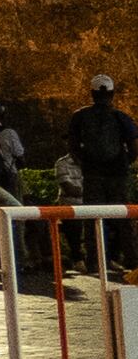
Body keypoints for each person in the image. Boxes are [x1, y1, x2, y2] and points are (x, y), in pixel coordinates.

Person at [72, 73, 136, 277]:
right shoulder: (121, 117)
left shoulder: (80, 116)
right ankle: (133, 261)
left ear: (92, 93)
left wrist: (86, 162)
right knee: (123, 218)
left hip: (93, 174)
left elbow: (73, 146)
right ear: (112, 93)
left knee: (92, 218)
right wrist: (126, 162)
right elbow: (134, 144)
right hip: (117, 174)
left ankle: (95, 262)